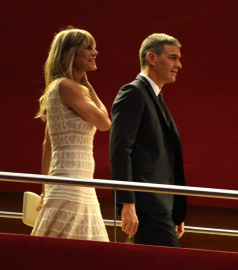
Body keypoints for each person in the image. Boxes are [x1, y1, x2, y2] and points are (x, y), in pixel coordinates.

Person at [31, 27, 110, 242]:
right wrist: (90, 89)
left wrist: (45, 188)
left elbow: (48, 145)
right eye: (88, 48)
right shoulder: (66, 86)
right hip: (72, 186)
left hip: (73, 185)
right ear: (69, 54)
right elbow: (104, 123)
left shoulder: (56, 87)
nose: (95, 52)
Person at [109, 33, 187, 247]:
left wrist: (175, 211)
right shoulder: (133, 92)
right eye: (173, 58)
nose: (179, 65)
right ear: (151, 58)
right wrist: (127, 202)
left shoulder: (155, 96)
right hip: (145, 204)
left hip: (162, 206)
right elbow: (120, 150)